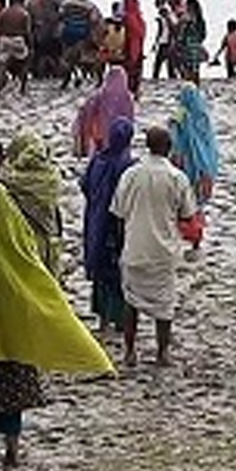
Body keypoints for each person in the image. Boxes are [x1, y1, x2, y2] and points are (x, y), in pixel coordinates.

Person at [0, 184, 114, 469]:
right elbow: (38, 286)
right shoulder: (21, 245)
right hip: (15, 336)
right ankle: (11, 451)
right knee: (12, 396)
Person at [112, 125, 198, 367]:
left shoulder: (130, 175)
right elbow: (187, 215)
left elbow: (118, 213)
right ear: (169, 148)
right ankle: (162, 353)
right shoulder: (177, 177)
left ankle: (129, 351)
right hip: (163, 251)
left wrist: (123, 244)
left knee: (131, 301)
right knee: (164, 305)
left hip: (134, 247)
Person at [80, 118, 136, 332]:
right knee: (119, 272)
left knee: (101, 271)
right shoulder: (128, 165)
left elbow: (84, 185)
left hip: (96, 221)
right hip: (118, 225)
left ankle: (103, 319)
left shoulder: (98, 160)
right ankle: (120, 319)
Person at [2, 130, 66, 276]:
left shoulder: (12, 179)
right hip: (49, 237)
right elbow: (55, 211)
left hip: (23, 239)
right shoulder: (51, 177)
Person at [170, 82, 221, 217]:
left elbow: (173, 136)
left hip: (185, 161)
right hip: (205, 163)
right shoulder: (203, 114)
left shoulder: (180, 113)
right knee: (198, 201)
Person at [75, 65, 136, 157]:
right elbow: (130, 118)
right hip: (121, 134)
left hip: (101, 135)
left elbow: (86, 112)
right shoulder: (128, 98)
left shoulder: (100, 95)